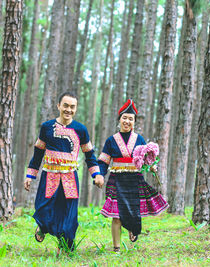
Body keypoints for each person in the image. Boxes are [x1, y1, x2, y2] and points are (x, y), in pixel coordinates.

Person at [24, 92, 104, 252]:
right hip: (49, 176)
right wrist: (30, 175)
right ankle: (43, 228)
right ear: (58, 106)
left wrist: (97, 174)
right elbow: (38, 153)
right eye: (65, 105)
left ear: (76, 108)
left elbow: (89, 155)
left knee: (68, 213)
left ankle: (66, 245)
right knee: (43, 208)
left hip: (70, 178)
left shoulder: (81, 130)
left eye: (72, 107)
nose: (68, 109)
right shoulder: (47, 127)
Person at [98, 99, 169, 252]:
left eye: (130, 119)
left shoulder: (139, 139)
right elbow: (104, 162)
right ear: (119, 120)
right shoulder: (111, 141)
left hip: (134, 180)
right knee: (116, 215)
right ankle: (116, 248)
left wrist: (152, 166)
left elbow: (146, 160)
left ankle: (132, 228)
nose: (127, 121)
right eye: (124, 118)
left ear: (134, 122)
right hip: (116, 180)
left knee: (134, 211)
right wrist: (100, 175)